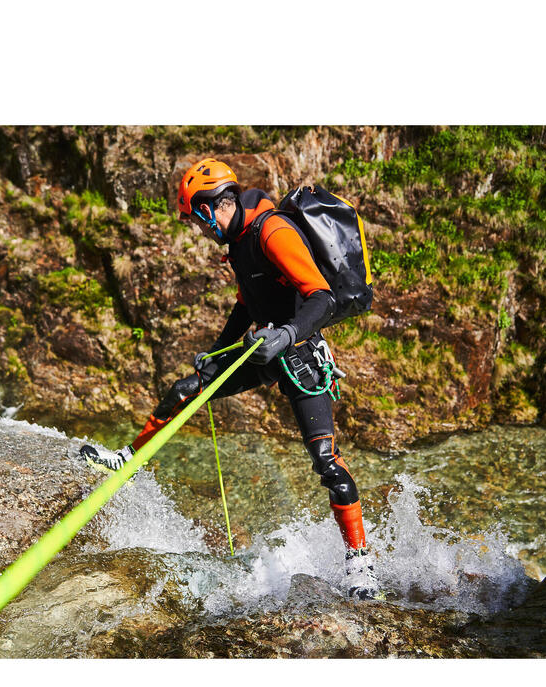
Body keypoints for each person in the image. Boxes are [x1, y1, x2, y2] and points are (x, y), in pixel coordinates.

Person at [80, 158, 380, 600]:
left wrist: (289, 334)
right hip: (261, 350)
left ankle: (361, 566)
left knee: (326, 461)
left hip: (299, 355)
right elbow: (247, 304)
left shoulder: (272, 232)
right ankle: (127, 459)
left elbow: (322, 297)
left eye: (196, 220)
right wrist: (218, 349)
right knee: (186, 390)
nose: (199, 231)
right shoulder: (240, 242)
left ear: (209, 208)